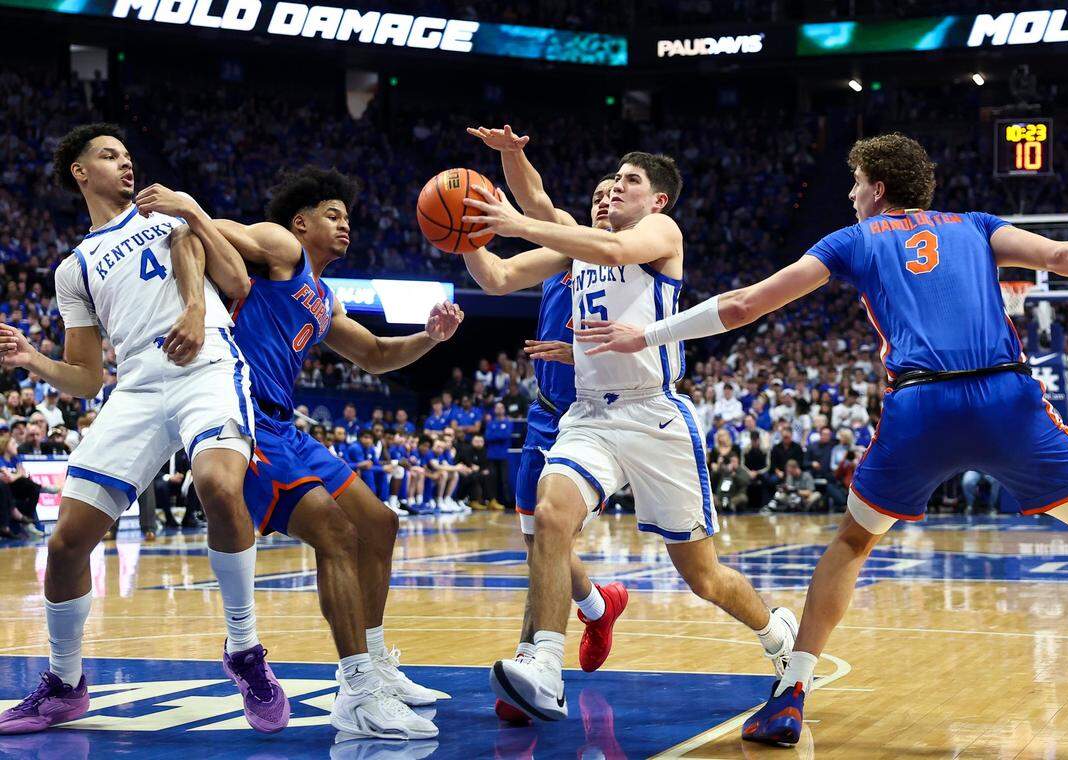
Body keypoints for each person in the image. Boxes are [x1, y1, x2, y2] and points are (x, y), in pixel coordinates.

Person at [577, 132, 1068, 745]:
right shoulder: (977, 225)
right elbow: (1061, 256)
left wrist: (650, 334)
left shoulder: (852, 240)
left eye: (853, 184)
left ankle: (791, 691)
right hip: (1006, 399)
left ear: (876, 187)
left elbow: (742, 306)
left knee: (851, 543)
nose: (848, 195)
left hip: (920, 405)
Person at [464, 148, 797, 721]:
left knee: (703, 576)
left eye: (630, 181)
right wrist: (467, 234)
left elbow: (610, 247)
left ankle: (775, 632)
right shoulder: (575, 249)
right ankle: (544, 664)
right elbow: (507, 255)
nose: (616, 188)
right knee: (548, 516)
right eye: (613, 178)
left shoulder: (660, 232)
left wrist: (516, 223)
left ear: (657, 199)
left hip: (654, 418)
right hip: (590, 416)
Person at [140, 167, 460, 740]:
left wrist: (429, 338)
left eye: (347, 219)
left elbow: (377, 354)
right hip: (246, 418)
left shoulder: (323, 296)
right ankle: (357, 690)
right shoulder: (281, 245)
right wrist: (188, 210)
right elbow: (202, 231)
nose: (344, 227)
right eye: (332, 216)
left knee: (380, 523)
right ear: (301, 222)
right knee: (335, 533)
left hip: (288, 427)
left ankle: (379, 664)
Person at [0, 123, 285, 735]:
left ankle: (244, 648)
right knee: (66, 542)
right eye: (109, 156)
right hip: (135, 386)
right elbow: (84, 377)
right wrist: (32, 359)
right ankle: (65, 683)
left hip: (206, 362)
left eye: (128, 155)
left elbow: (236, 282)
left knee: (218, 485)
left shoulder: (168, 216)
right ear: (80, 172)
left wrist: (192, 247)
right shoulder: (72, 268)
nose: (125, 164)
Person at [463, 125, 634, 722]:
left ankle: (536, 659)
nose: (602, 200)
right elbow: (498, 275)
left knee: (546, 537)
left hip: (598, 420)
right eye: (596, 194)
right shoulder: (567, 249)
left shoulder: (639, 261)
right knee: (539, 542)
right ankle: (594, 608)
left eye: (615, 191)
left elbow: (535, 205)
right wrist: (463, 234)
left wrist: (515, 163)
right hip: (546, 413)